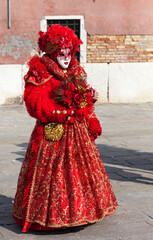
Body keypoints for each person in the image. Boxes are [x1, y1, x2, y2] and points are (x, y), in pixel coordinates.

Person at [12, 24, 118, 232]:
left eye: (70, 53)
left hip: (77, 133)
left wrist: (87, 106)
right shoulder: (40, 72)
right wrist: (64, 110)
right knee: (53, 176)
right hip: (53, 133)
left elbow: (83, 98)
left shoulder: (75, 70)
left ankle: (84, 211)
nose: (67, 58)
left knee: (81, 172)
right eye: (62, 54)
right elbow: (35, 104)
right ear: (52, 53)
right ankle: (49, 216)